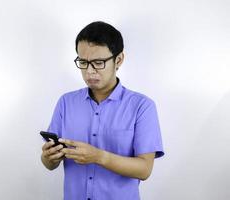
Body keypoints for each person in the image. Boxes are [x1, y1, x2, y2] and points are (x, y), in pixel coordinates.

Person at [41, 21, 164, 200]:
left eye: (98, 62)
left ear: (119, 60)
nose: (89, 71)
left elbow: (144, 170)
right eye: (83, 62)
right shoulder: (66, 102)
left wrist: (99, 157)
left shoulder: (142, 106)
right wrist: (49, 157)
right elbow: (49, 164)